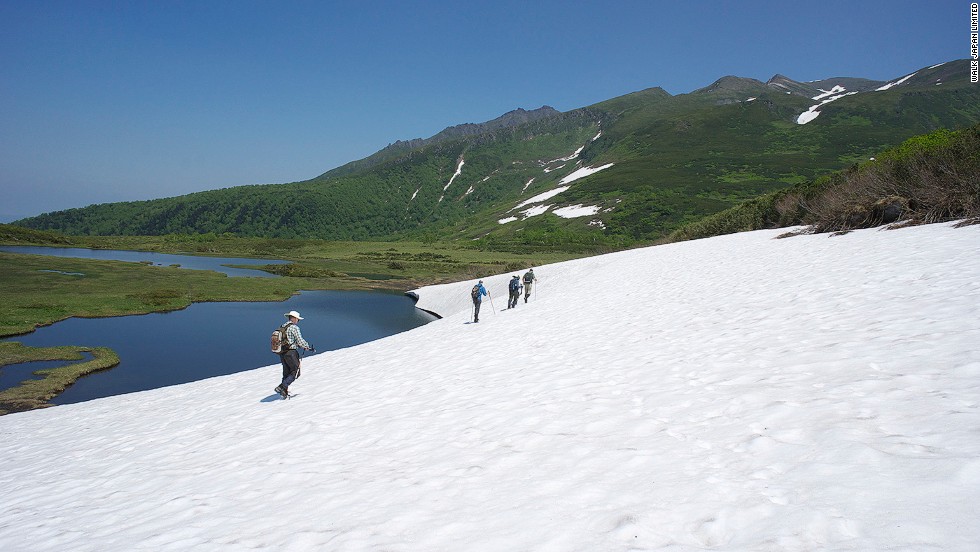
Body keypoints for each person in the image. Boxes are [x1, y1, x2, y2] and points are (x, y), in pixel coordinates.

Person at [275, 310, 314, 398]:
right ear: (294, 318)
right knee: (295, 372)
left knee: (286, 372)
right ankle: (281, 386)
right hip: (291, 353)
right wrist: (307, 346)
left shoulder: (282, 327)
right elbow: (300, 340)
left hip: (282, 353)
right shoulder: (294, 328)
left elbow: (288, 340)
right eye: (298, 319)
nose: (298, 321)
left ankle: (284, 392)